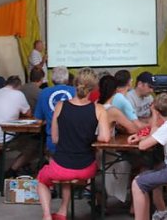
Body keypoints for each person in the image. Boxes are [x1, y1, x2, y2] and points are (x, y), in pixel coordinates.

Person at [36, 68, 110, 220]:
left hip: (61, 166)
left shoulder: (60, 106)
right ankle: (62, 212)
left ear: (74, 84)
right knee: (67, 179)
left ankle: (47, 215)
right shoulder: (99, 109)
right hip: (86, 168)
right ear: (94, 88)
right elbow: (104, 138)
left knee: (42, 180)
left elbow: (55, 139)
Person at [0, 75, 36, 177]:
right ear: (19, 86)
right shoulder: (18, 94)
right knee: (33, 145)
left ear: (5, 84)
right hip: (0, 139)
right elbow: (28, 113)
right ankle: (12, 170)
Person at [34, 65, 75, 154]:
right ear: (67, 79)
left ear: (52, 79)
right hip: (74, 140)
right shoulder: (75, 91)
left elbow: (38, 119)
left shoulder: (44, 92)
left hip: (52, 140)